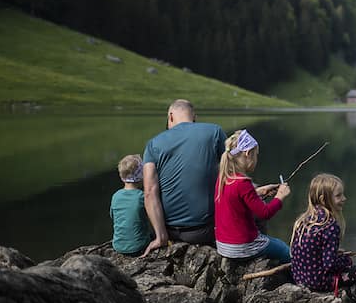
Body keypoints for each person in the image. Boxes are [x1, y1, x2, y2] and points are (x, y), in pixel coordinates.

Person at [290, 173, 356, 303]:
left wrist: (334, 253)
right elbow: (330, 265)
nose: (344, 198)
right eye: (338, 196)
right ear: (323, 199)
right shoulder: (330, 225)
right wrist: (346, 260)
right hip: (320, 282)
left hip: (301, 279)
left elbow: (310, 252)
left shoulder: (303, 221)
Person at [142, 99, 227, 255]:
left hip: (169, 231)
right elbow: (232, 173)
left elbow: (149, 192)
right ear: (194, 117)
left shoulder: (153, 144)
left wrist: (161, 236)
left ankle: (160, 236)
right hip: (205, 230)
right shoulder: (214, 132)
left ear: (170, 116)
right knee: (255, 210)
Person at [214, 129, 293, 262]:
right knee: (284, 249)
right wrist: (279, 197)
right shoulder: (243, 183)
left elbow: (234, 197)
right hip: (242, 247)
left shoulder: (223, 178)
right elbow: (265, 213)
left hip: (223, 245)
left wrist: (259, 192)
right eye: (255, 155)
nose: (256, 160)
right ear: (248, 153)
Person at [110, 154, 153, 255]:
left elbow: (113, 217)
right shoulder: (142, 197)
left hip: (118, 246)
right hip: (139, 246)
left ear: (122, 177)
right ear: (141, 176)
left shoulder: (116, 196)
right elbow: (154, 217)